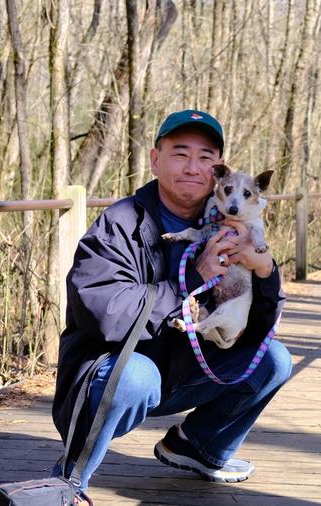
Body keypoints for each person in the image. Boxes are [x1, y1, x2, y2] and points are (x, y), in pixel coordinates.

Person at [52, 110, 292, 500]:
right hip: (116, 379)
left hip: (186, 372)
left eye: (205, 157)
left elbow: (259, 327)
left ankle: (196, 448)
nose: (193, 167)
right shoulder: (121, 222)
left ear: (218, 172)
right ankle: (69, 479)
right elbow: (104, 312)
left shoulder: (231, 226)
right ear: (155, 160)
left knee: (273, 360)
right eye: (180, 154)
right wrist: (194, 279)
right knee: (137, 374)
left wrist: (265, 271)